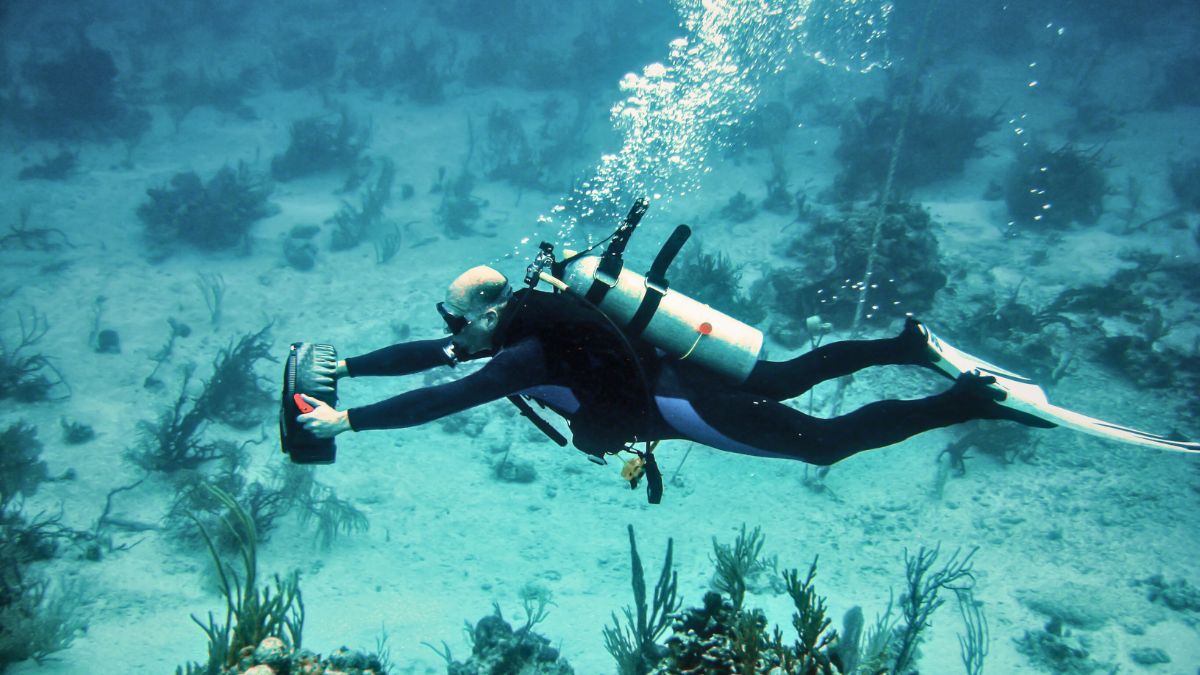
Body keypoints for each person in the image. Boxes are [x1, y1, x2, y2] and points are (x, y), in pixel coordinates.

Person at [296, 265, 1052, 470]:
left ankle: (966, 401)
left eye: (457, 319)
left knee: (821, 445)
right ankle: (905, 347)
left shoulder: (523, 352)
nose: (451, 332)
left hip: (688, 406)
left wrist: (347, 420)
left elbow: (448, 393)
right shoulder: (539, 311)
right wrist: (349, 367)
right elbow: (434, 357)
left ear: (489, 310)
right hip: (685, 369)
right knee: (789, 373)